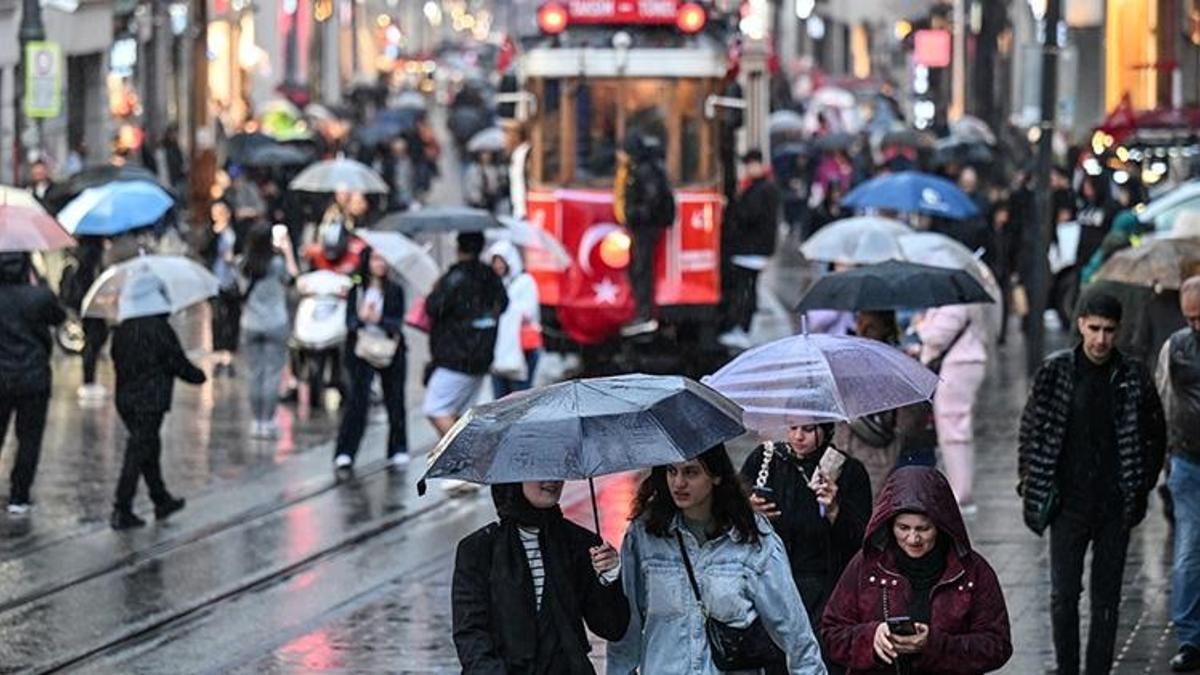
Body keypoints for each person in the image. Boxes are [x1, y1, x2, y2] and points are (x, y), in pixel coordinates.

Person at [1018, 291, 1165, 675]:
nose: (1101, 339)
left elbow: (1154, 433)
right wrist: (1030, 481)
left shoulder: (1132, 375)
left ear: (1119, 331)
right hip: (1068, 503)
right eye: (1095, 328)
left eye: (1109, 330)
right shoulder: (1056, 371)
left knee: (1107, 599)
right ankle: (1067, 668)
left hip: (1115, 504)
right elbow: (1031, 429)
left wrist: (1140, 483)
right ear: (1081, 323)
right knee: (1063, 597)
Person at [607, 445, 828, 674]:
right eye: (671, 471)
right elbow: (627, 632)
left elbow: (794, 632)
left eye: (691, 472)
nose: (678, 483)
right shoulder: (644, 535)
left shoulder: (752, 538)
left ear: (716, 476)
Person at [820, 466, 1013, 674]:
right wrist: (872, 636)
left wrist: (934, 645)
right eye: (903, 528)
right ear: (890, 525)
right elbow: (832, 633)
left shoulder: (972, 571)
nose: (913, 539)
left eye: (923, 529)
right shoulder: (866, 565)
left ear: (940, 526)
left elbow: (997, 645)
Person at [452, 482, 629, 672]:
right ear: (514, 478)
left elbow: (612, 627)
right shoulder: (480, 548)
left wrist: (608, 576)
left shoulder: (579, 543)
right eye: (539, 472)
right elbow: (470, 634)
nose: (552, 480)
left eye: (557, 469)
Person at [741, 422, 871, 674]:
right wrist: (748, 510)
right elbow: (732, 519)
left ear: (825, 430)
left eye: (808, 429)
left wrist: (834, 509)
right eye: (791, 427)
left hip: (823, 588)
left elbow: (860, 542)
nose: (798, 436)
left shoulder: (849, 471)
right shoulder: (765, 461)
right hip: (771, 583)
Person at [110, 274, 207, 530]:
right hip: (150, 400)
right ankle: (122, 507)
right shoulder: (159, 329)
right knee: (139, 449)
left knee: (147, 447)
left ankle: (160, 498)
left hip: (125, 399)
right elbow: (176, 361)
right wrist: (199, 375)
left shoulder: (123, 329)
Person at [423, 232, 508, 437]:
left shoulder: (454, 278)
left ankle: (464, 456)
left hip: (455, 356)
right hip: (481, 354)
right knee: (460, 413)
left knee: (435, 408)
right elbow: (503, 304)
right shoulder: (490, 276)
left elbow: (434, 307)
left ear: (459, 248)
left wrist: (437, 288)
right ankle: (461, 462)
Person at [0, 253, 66, 515]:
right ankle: (19, 496)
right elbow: (59, 317)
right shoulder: (40, 296)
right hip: (34, 379)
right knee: (29, 440)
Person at [1157, 276, 1200, 672]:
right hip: (1189, 459)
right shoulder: (1177, 347)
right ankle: (1190, 636)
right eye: (1190, 318)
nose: (1196, 325)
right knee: (1188, 549)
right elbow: (1165, 397)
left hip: (1186, 455)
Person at [333, 248, 409, 470]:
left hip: (390, 350)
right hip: (361, 350)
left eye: (384, 259)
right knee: (357, 401)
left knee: (395, 399)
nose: (380, 264)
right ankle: (345, 451)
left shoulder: (395, 290)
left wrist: (379, 319)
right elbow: (349, 322)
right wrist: (361, 318)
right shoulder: (357, 289)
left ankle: (398, 448)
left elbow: (397, 323)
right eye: (376, 259)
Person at [913, 302, 988, 514]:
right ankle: (958, 490)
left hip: (958, 366)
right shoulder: (961, 298)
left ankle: (960, 493)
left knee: (953, 430)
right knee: (954, 429)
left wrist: (920, 324)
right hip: (962, 363)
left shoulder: (955, 301)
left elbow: (937, 336)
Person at [239, 223, 298, 438]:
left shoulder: (243, 265)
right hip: (276, 322)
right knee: (273, 373)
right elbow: (293, 279)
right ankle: (269, 419)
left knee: (255, 373)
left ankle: (256, 421)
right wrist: (287, 251)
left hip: (250, 323)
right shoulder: (277, 264)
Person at [720, 149, 781, 350]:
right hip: (754, 249)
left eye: (749, 165)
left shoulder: (761, 189)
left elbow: (749, 215)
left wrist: (735, 204)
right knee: (748, 288)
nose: (746, 169)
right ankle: (742, 327)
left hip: (751, 249)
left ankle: (742, 327)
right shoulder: (763, 187)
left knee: (746, 289)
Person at [618, 135, 675, 337]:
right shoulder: (644, 168)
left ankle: (645, 313)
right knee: (639, 268)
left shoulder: (643, 171)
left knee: (641, 268)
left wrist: (634, 214)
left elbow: (651, 200)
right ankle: (643, 312)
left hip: (645, 228)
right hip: (644, 227)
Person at [487, 240, 541, 397]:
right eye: (495, 261)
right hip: (498, 353)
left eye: (501, 261)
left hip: (523, 350)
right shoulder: (494, 285)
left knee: (521, 400)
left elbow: (529, 312)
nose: (498, 266)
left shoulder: (524, 282)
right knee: (500, 402)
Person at [203, 201, 240, 377]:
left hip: (232, 279)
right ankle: (218, 354)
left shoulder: (234, 232)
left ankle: (230, 352)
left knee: (232, 317)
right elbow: (203, 250)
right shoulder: (211, 232)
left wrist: (234, 258)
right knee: (217, 318)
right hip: (215, 279)